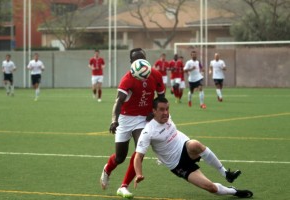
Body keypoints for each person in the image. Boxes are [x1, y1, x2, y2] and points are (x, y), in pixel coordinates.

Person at [134, 97, 253, 199]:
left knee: (194, 144)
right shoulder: (148, 132)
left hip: (185, 147)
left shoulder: (167, 117)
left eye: (167, 109)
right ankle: (233, 191)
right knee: (210, 187)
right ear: (154, 111)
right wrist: (139, 174)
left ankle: (226, 174)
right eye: (161, 110)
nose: (166, 112)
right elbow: (138, 157)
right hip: (177, 164)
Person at [100, 48, 165, 198]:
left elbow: (161, 97)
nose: (140, 62)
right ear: (131, 63)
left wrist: (153, 111)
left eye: (142, 58)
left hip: (143, 119)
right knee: (120, 157)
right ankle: (107, 170)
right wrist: (114, 120)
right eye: (136, 60)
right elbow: (119, 101)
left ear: (146, 59)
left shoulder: (155, 75)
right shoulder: (127, 79)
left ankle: (123, 186)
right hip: (125, 118)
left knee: (140, 150)